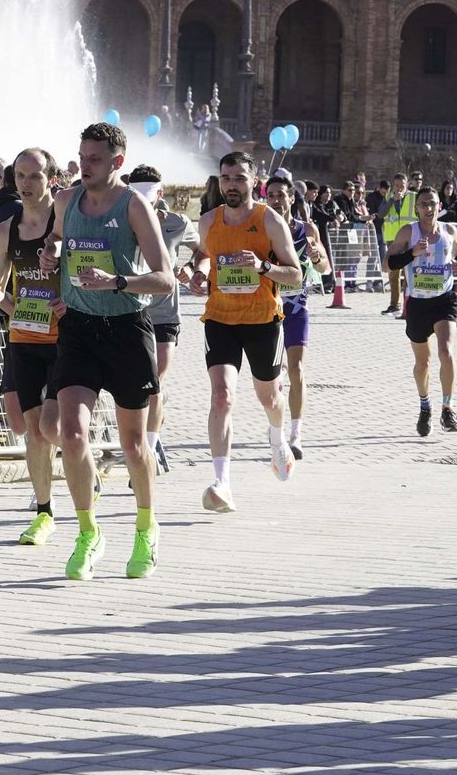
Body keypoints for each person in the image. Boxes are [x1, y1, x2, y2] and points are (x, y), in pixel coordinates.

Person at [38, 123, 175, 580]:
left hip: (125, 328)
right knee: (71, 434)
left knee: (135, 445)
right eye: (80, 157)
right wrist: (52, 254)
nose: (84, 166)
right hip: (78, 328)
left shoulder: (134, 206)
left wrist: (116, 280)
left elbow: (165, 278)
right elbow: (56, 240)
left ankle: (145, 527)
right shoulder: (65, 200)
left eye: (94, 159)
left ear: (117, 162)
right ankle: (87, 531)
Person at [187, 151, 303, 513]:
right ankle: (222, 483)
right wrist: (199, 273)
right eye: (225, 178)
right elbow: (203, 256)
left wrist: (264, 266)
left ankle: (276, 438)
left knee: (268, 399)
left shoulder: (269, 221)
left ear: (255, 182)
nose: (231, 185)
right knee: (222, 397)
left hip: (262, 320)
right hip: (220, 318)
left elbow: (296, 276)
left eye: (239, 178)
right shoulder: (208, 221)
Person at [0, 148, 63, 545]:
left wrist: (69, 302)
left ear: (52, 179)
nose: (26, 184)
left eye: (35, 176)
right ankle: (44, 512)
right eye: (20, 176)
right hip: (24, 337)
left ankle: (80, 467)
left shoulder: (67, 223)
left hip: (66, 339)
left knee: (57, 427)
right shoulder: (6, 229)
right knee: (35, 432)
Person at [127, 164, 197, 476]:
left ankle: (149, 451)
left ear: (161, 192)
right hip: (129, 310)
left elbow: (203, 251)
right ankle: (139, 442)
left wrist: (193, 269)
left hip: (165, 313)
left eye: (149, 193)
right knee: (139, 385)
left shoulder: (178, 222)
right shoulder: (119, 217)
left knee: (155, 383)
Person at [385, 186, 457, 435]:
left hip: (444, 300)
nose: (428, 208)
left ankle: (447, 407)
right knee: (423, 364)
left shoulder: (449, 230)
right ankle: (425, 406)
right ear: (417, 208)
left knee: (446, 351)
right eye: (423, 204)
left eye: (432, 203)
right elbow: (386, 263)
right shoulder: (408, 232)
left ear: (439, 206)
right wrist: (412, 253)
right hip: (418, 304)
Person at [264, 175, 330, 460]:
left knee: (297, 370)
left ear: (292, 198)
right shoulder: (262, 228)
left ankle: (296, 434)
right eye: (271, 196)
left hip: (296, 308)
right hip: (267, 309)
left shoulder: (308, 229)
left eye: (281, 195)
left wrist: (316, 257)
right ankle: (275, 427)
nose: (277, 200)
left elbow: (326, 268)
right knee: (272, 376)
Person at [379, 174, 416, 312]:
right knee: (393, 271)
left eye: (402, 185)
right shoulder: (389, 196)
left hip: (409, 238)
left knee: (409, 272)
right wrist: (392, 201)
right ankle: (394, 304)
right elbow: (381, 213)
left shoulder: (413, 197)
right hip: (393, 239)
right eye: (396, 185)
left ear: (407, 184)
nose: (399, 188)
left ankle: (410, 303)